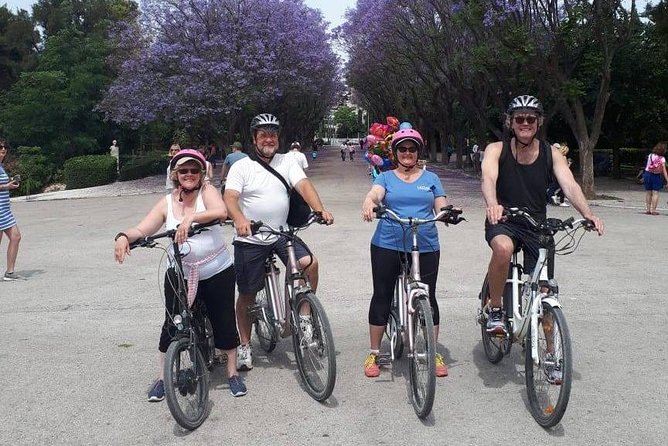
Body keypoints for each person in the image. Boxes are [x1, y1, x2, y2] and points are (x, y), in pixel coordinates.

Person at [114, 149, 247, 400]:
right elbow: (143, 228)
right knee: (172, 323)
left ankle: (232, 373)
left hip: (216, 269)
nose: (189, 175)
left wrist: (190, 218)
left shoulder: (206, 192)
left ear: (200, 174)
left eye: (194, 170)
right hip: (180, 273)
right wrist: (123, 236)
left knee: (224, 321)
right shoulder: (166, 202)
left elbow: (220, 212)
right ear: (175, 174)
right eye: (183, 170)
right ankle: (162, 377)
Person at [481, 95, 604, 335]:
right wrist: (493, 204)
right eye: (519, 119)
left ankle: (551, 357)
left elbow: (569, 185)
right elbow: (488, 177)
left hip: (537, 225)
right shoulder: (497, 149)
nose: (525, 123)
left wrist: (588, 214)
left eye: (530, 118)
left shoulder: (552, 153)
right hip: (504, 219)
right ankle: (495, 308)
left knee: (544, 289)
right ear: (510, 123)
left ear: (539, 122)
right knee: (503, 249)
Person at [223, 113, 334, 371]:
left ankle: (304, 317)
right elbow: (230, 197)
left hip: (282, 233)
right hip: (251, 238)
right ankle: (245, 345)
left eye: (273, 134)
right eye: (263, 134)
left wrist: (320, 209)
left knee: (310, 264)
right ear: (254, 139)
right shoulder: (242, 166)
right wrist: (239, 218)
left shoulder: (286, 161)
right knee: (248, 294)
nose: (269, 139)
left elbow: (304, 186)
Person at [361, 127, 450, 378]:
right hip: (387, 243)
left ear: (418, 152)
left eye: (412, 149)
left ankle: (432, 351)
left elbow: (440, 203)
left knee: (427, 295)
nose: (407, 153)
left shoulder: (431, 178)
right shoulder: (386, 178)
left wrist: (447, 213)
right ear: (395, 152)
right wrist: (370, 203)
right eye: (403, 149)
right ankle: (374, 352)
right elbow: (375, 194)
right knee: (382, 294)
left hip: (426, 243)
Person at [0, 139, 23, 281]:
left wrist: (10, 184)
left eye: (5, 147)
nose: (3, 149)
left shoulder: (1, 166)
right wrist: (5, 186)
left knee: (16, 237)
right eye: (0, 147)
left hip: (4, 210)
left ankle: (10, 272)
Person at [642, 142, 668, 215]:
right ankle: (653, 210)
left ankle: (648, 210)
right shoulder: (662, 158)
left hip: (647, 174)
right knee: (655, 193)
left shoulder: (650, 155)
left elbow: (648, 165)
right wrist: (667, 180)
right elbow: (664, 171)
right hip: (656, 176)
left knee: (648, 192)